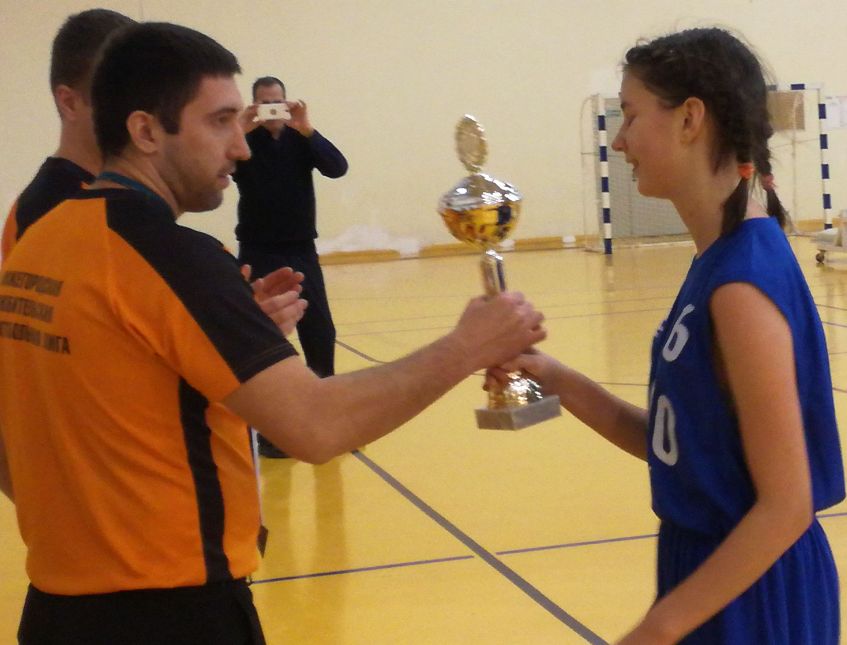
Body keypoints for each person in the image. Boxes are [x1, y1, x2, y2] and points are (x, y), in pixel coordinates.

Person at [0, 22, 545, 644]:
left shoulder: (40, 237)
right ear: (146, 131)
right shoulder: (171, 256)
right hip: (171, 612)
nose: (241, 147)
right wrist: (468, 346)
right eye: (220, 122)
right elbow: (315, 425)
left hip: (57, 610)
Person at [490, 27, 844, 644]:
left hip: (753, 588)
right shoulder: (716, 260)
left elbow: (787, 505)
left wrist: (660, 627)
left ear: (689, 119)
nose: (619, 140)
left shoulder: (741, 283)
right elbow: (678, 447)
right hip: (711, 571)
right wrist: (557, 379)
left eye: (630, 116)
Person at [0, 9, 306, 335]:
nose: (138, 103)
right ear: (70, 102)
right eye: (115, 90)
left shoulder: (107, 208)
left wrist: (232, 324)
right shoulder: (59, 214)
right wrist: (237, 333)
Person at [234, 77, 345, 387]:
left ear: (287, 102)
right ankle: (260, 393)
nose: (272, 109)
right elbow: (219, 165)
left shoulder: (300, 138)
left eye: (277, 102)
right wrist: (239, 130)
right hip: (257, 250)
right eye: (264, 103)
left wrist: (307, 129)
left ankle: (322, 389)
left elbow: (337, 168)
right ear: (254, 106)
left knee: (320, 329)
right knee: (257, 328)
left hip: (301, 249)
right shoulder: (244, 142)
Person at [1, 9, 135, 261]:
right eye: (122, 94)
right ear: (69, 103)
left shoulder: (33, 204)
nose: (142, 114)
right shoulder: (70, 209)